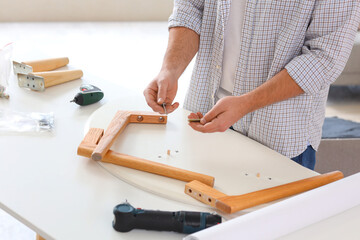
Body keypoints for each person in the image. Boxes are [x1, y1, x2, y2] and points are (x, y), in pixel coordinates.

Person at [143, 1, 360, 170]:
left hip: (278, 135)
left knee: (273, 226)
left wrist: (247, 103)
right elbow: (191, 7)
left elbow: (325, 57)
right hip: (202, 115)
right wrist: (170, 69)